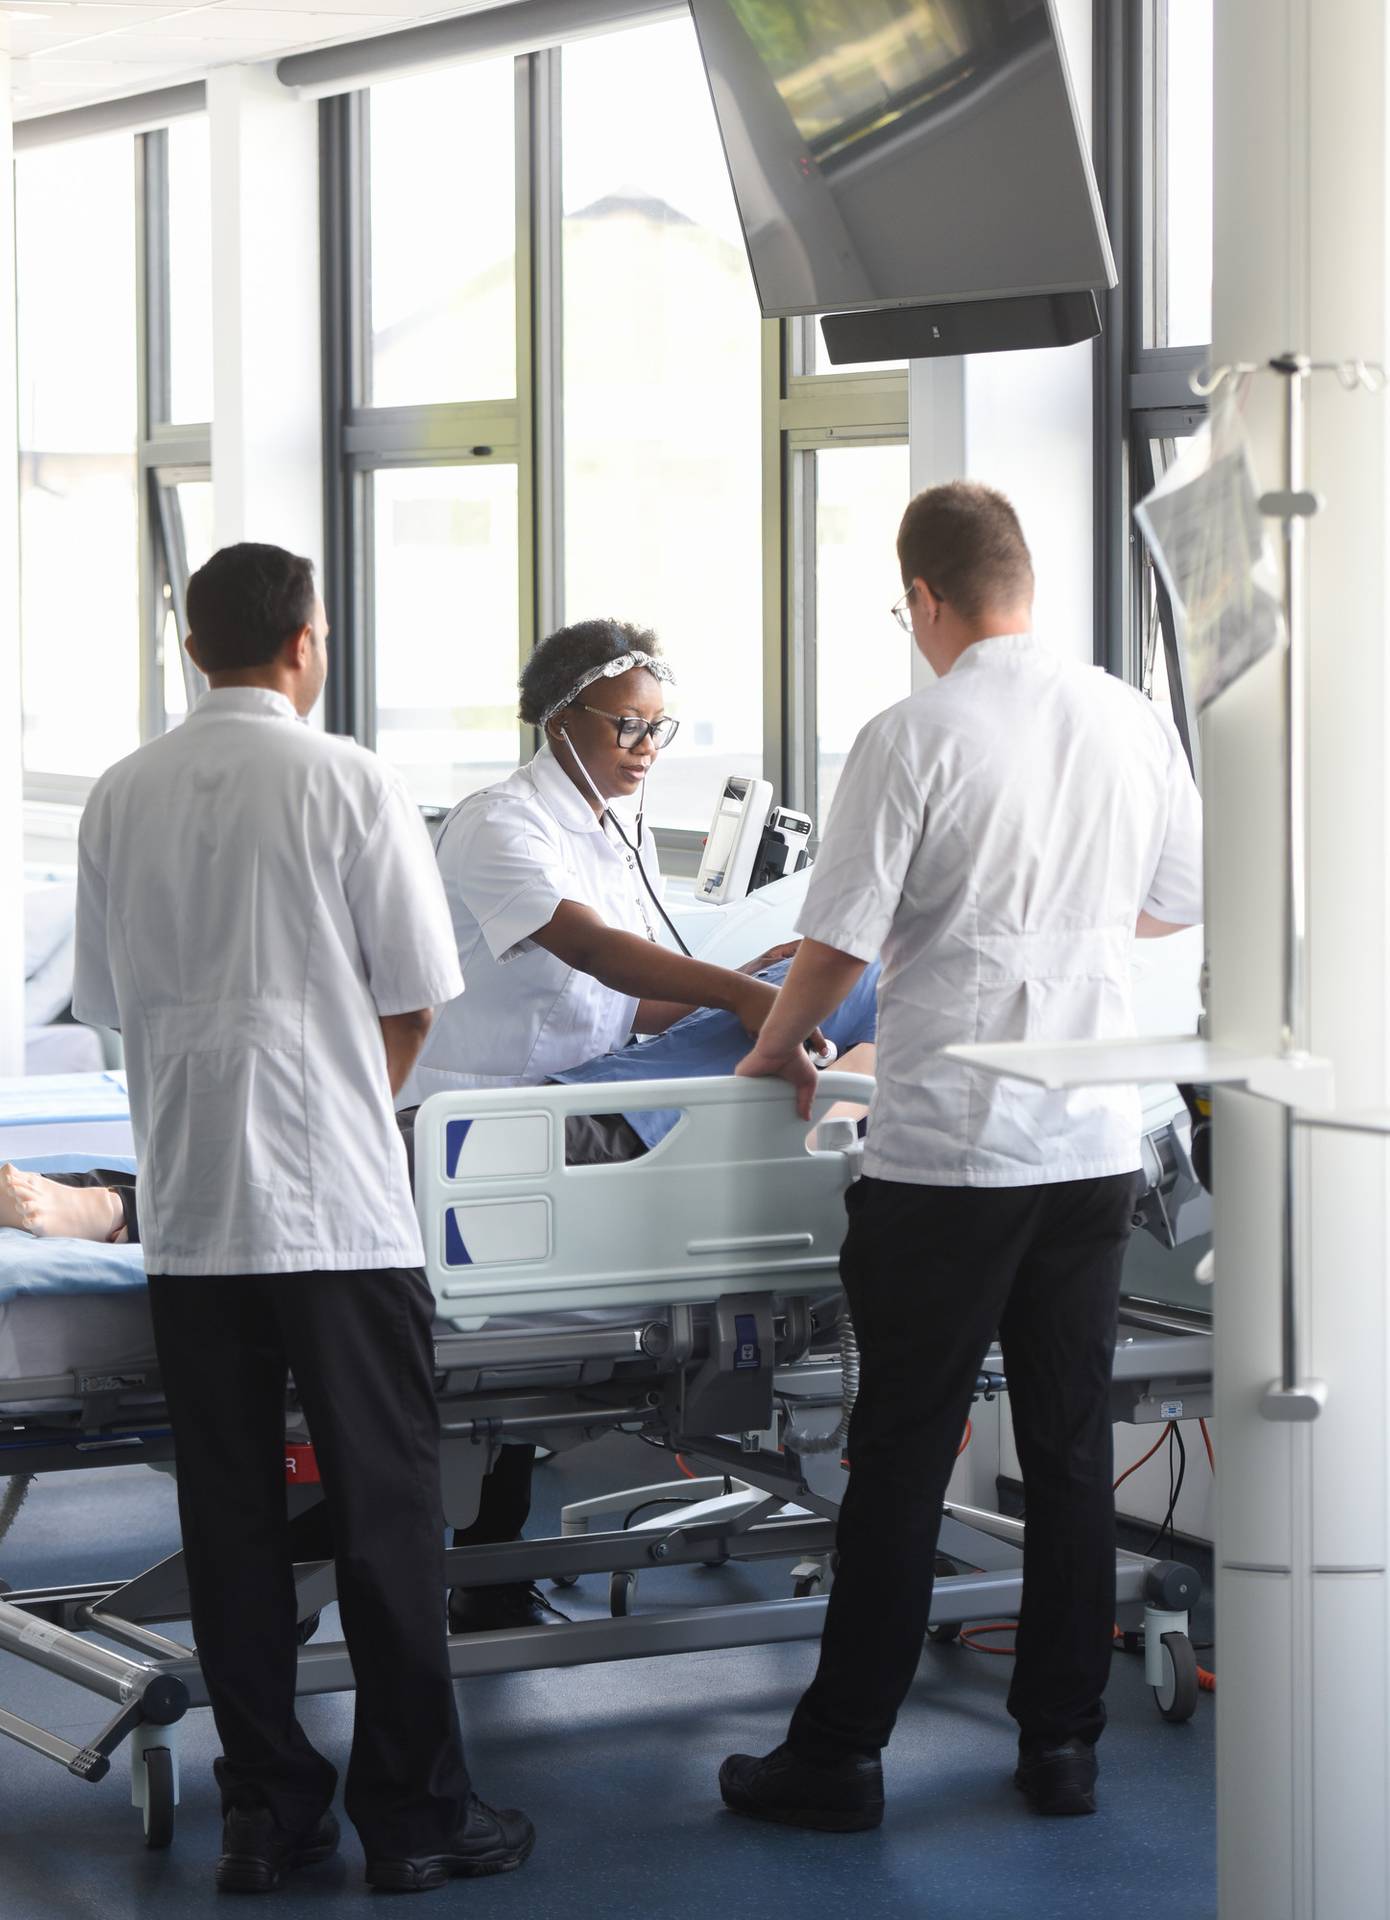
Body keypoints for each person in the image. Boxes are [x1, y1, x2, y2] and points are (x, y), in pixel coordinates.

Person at [716, 482, 1203, 1832]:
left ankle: (840, 1756)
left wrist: (776, 1049)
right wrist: (1065, 933)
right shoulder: (1128, 717)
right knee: (1062, 1448)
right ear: (1019, 582)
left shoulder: (909, 733)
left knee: (903, 1451)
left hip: (948, 1155)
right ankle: (1060, 1747)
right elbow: (1175, 902)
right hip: (1093, 1142)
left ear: (924, 598)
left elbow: (838, 946)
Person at [72, 542, 533, 1897]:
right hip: (338, 1214)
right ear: (306, 643)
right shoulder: (348, 779)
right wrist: (337, 1098)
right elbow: (412, 994)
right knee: (388, 1517)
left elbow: (108, 1005)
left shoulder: (119, 796)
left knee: (229, 1528)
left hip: (197, 1219)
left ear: (194, 647)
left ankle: (268, 1816)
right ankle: (417, 1818)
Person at [404, 618, 822, 1633]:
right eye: (626, 727)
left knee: (502, 1381)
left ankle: (491, 1579)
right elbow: (590, 950)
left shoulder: (606, 831)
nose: (644, 749)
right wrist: (743, 993)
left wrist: (761, 973)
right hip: (477, 1124)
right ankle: (109, 1211)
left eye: (657, 729)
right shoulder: (498, 823)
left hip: (572, 1114)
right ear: (558, 721)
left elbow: (633, 1010)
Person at [1, 956, 881, 1244]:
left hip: (630, 1140)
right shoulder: (840, 964)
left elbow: (838, 1121)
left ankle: (106, 1206)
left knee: (328, 1187)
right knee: (323, 1168)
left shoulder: (881, 989)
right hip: (578, 1110)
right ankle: (97, 1196)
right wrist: (750, 980)